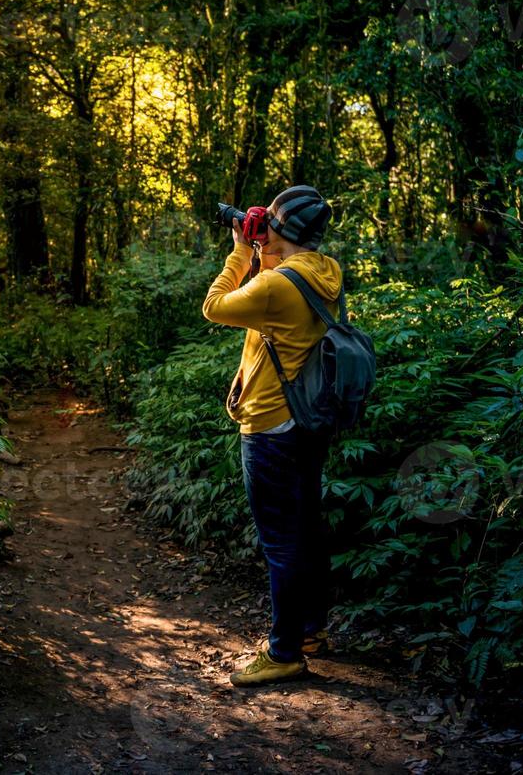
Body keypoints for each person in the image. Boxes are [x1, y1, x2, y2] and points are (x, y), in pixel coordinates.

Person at [200, 184, 340, 687]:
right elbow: (273, 307)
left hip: (269, 424)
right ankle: (309, 633)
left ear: (282, 231)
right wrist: (267, 253)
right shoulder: (323, 272)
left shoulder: (277, 284)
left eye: (271, 224)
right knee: (306, 529)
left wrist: (241, 250)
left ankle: (283, 653)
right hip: (307, 420)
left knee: (280, 542)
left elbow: (215, 307)